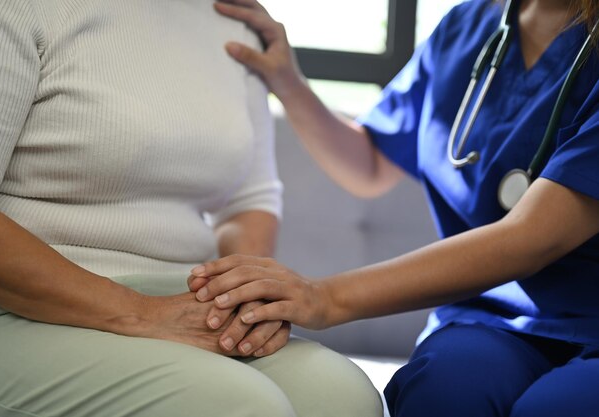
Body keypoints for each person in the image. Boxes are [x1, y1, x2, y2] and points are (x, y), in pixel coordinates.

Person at [0, 1, 383, 416]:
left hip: (178, 298)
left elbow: (249, 200)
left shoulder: (235, 22)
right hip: (10, 307)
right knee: (239, 407)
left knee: (344, 398)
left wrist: (241, 305)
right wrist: (141, 313)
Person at [191, 0, 599, 415]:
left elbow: (533, 238)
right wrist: (287, 81)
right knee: (443, 391)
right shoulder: (467, 26)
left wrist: (324, 297)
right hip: (489, 321)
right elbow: (369, 165)